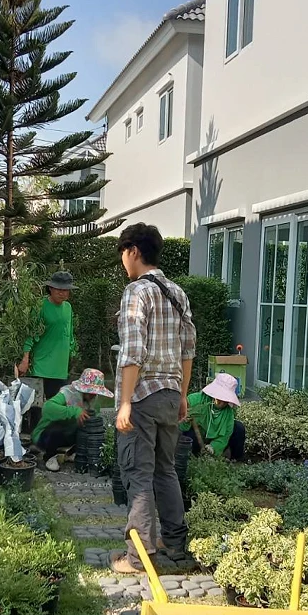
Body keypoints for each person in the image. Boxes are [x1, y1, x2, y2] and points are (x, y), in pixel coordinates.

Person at [113, 223, 196, 574]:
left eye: (123, 253)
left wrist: (125, 401)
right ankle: (174, 543)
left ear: (133, 251)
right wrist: (183, 395)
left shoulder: (137, 292)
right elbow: (188, 350)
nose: (122, 260)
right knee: (166, 470)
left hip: (143, 397)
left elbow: (133, 350)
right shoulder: (177, 293)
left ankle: (140, 557)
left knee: (139, 473)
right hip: (170, 394)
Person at [32, 368, 114, 471]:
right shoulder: (67, 393)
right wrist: (74, 411)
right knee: (56, 430)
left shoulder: (91, 399)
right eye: (91, 392)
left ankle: (71, 454)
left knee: (89, 430)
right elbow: (47, 408)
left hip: (68, 434)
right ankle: (49, 456)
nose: (94, 395)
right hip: (45, 435)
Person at [18, 271, 77, 400]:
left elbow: (69, 333)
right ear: (50, 288)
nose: (62, 293)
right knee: (36, 407)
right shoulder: (40, 306)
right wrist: (25, 359)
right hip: (41, 367)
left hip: (60, 368)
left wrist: (72, 351)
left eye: (65, 290)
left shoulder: (68, 307)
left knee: (56, 407)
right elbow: (31, 334)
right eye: (59, 289)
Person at [181, 373, 246, 460]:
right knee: (190, 436)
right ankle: (193, 457)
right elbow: (180, 425)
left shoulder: (228, 413)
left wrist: (214, 447)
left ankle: (235, 460)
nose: (221, 402)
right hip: (197, 437)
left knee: (238, 428)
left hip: (214, 441)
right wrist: (185, 420)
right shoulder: (195, 400)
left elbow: (224, 437)